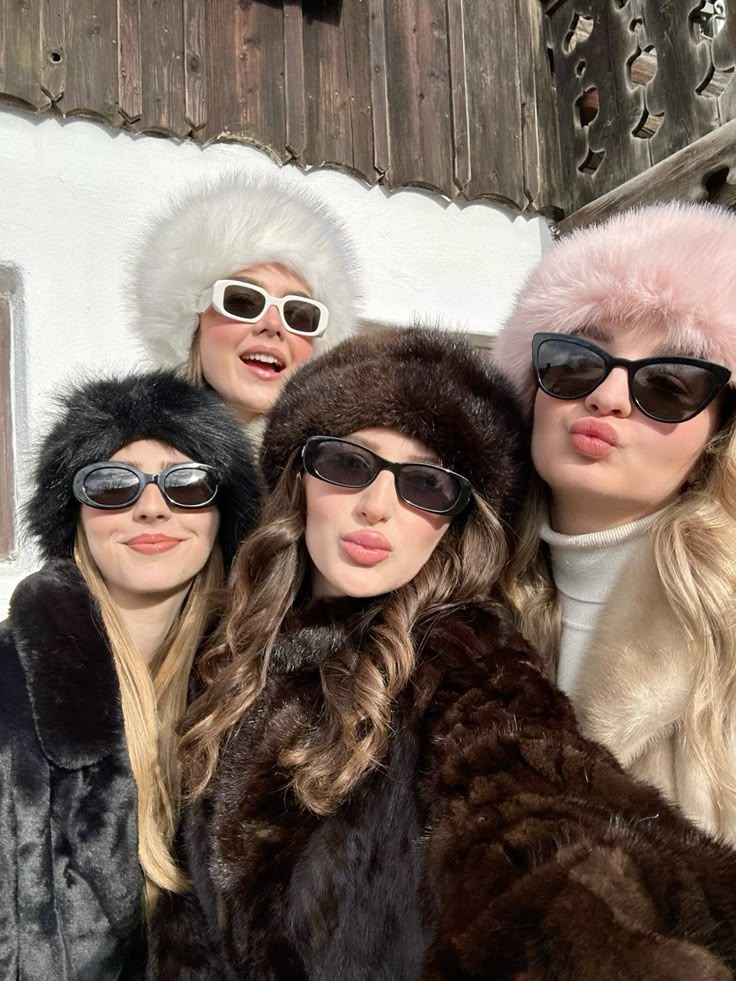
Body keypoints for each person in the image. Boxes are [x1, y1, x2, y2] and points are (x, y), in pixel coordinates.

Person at [151, 329, 736, 981]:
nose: (377, 507)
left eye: (425, 485)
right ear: (300, 476)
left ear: (456, 518)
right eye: (347, 464)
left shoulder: (464, 659)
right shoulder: (229, 643)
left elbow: (538, 822)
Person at [0, 369, 261, 980]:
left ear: (221, 514)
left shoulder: (260, 692)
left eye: (187, 485)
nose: (151, 508)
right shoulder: (10, 690)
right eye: (112, 485)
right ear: (76, 516)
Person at [495, 200, 736, 842]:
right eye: (575, 363)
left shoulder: (726, 626)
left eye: (671, 384)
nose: (606, 397)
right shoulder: (467, 607)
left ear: (715, 438)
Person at [130, 170, 361, 439]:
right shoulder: (124, 464)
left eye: (298, 315)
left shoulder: (344, 473)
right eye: (242, 301)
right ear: (191, 322)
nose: (273, 325)